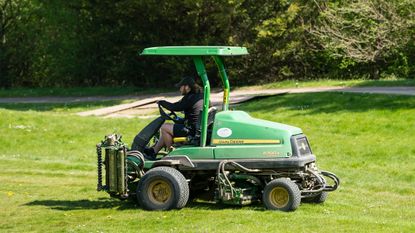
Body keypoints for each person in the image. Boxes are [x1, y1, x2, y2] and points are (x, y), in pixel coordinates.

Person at [144, 76, 204, 160]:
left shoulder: (190, 97)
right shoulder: (199, 95)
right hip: (196, 128)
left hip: (192, 131)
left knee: (164, 127)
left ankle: (171, 155)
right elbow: (180, 106)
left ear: (186, 87)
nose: (180, 89)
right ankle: (153, 151)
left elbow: (175, 107)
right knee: (167, 130)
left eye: (180, 87)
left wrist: (162, 102)